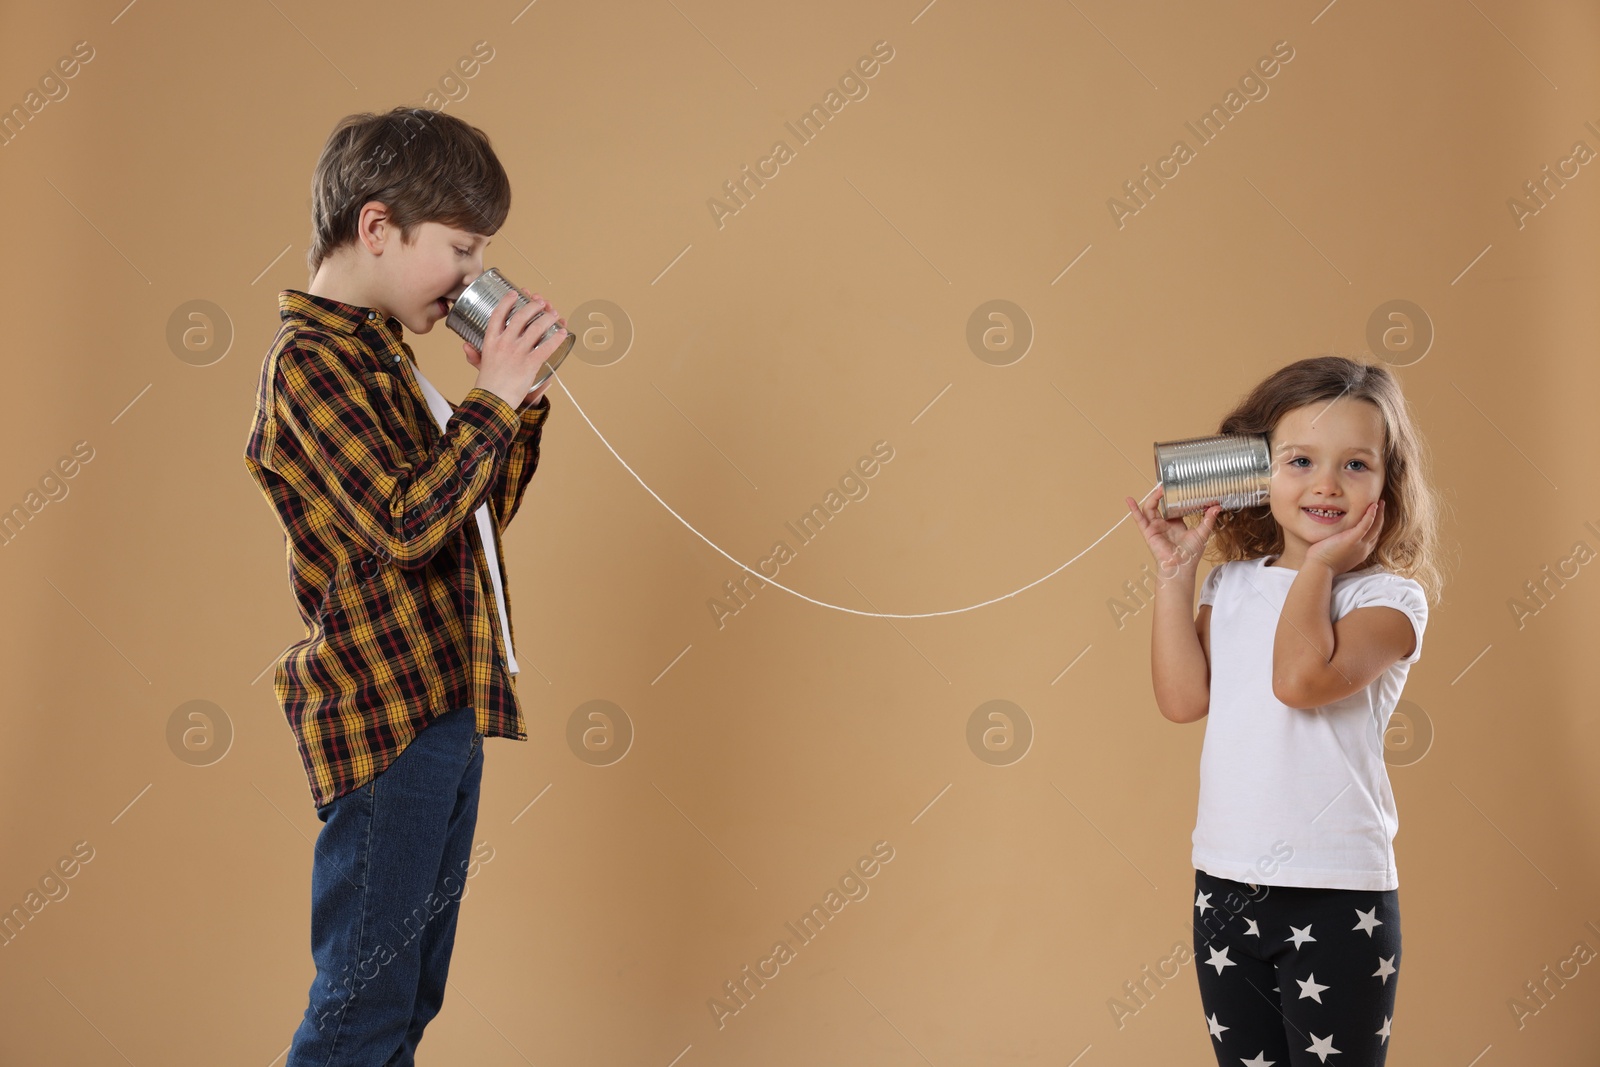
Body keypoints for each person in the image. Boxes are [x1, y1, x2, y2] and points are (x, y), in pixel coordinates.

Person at [241, 106, 568, 1065]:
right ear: (378, 228)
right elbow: (402, 523)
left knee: (408, 996)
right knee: (361, 1004)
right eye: (462, 252)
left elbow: (465, 522)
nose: (475, 279)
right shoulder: (309, 365)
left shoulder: (384, 357)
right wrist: (489, 403)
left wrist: (518, 409)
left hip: (443, 708)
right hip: (385, 716)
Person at [1126, 355, 1445, 1066]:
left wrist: (1323, 566)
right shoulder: (1233, 585)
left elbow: (1300, 679)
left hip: (1337, 900)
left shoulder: (1389, 601)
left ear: (1388, 486)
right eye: (1300, 459)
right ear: (1253, 470)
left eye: (1356, 465)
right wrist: (1176, 579)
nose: (1327, 483)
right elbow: (1183, 700)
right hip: (1226, 887)